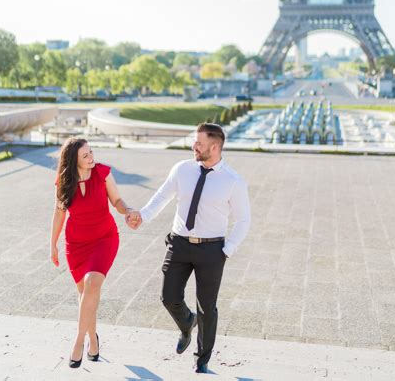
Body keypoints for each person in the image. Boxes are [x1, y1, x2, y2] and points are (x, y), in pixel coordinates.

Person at [126, 122, 251, 374]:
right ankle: (187, 323)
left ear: (214, 147)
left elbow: (243, 219)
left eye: (199, 143)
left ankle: (202, 358)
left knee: (207, 306)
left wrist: (228, 250)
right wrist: (143, 215)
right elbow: (162, 196)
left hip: (212, 250)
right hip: (180, 243)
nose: (194, 146)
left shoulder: (232, 180)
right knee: (168, 296)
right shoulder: (182, 169)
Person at [50, 137, 133, 368]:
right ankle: (93, 339)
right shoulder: (64, 182)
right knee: (87, 294)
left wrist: (128, 210)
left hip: (104, 238)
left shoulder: (103, 173)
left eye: (91, 152)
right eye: (85, 155)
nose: (91, 158)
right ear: (73, 159)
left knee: (92, 283)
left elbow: (116, 200)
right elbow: (59, 214)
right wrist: (52, 244)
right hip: (76, 244)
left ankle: (78, 342)